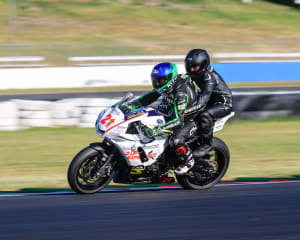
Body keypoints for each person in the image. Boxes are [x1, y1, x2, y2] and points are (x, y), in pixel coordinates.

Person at [124, 62, 201, 175]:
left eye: (161, 80)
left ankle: (188, 161)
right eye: (155, 80)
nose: (157, 83)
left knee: (175, 140)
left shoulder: (180, 94)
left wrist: (156, 130)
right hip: (171, 109)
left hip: (189, 118)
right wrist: (132, 105)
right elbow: (150, 97)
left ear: (171, 78)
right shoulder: (167, 85)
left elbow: (178, 121)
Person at [184, 49, 233, 156]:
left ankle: (206, 145)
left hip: (223, 104)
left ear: (203, 65)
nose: (191, 69)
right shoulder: (194, 73)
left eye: (195, 66)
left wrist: (185, 111)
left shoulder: (209, 77)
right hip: (211, 100)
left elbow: (202, 102)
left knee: (204, 115)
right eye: (189, 66)